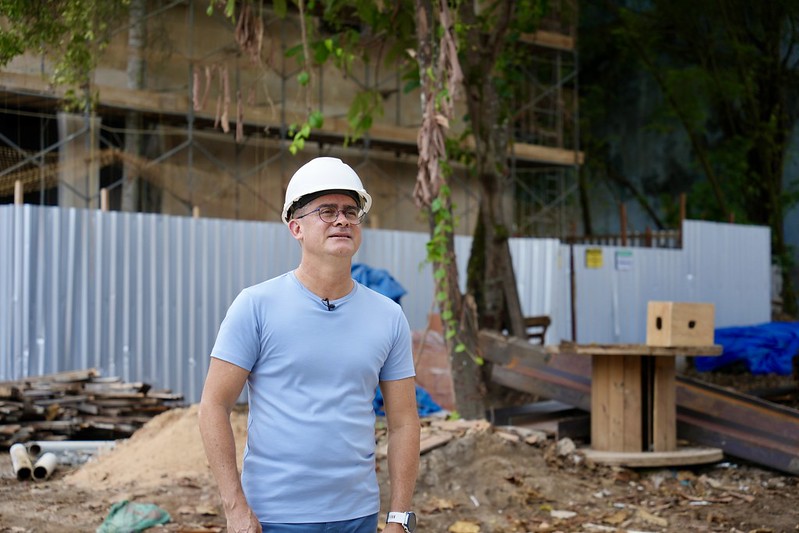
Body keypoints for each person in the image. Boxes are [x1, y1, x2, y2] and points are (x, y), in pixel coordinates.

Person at [198, 157, 421, 533]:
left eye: (351, 211)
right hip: (273, 518)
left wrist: (400, 517)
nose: (342, 220)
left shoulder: (387, 316)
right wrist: (235, 508)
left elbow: (404, 423)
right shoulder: (256, 306)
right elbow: (212, 407)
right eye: (327, 211)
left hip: (357, 517)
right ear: (295, 227)